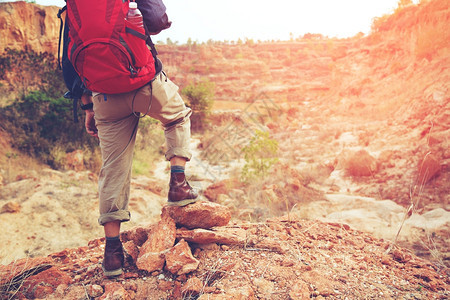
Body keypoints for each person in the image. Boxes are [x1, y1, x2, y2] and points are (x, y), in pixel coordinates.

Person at [61, 2, 198, 277]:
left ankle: (112, 253)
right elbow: (157, 19)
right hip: (144, 81)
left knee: (113, 166)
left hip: (104, 96)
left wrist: (88, 107)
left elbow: (68, 61)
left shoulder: (73, 4)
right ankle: (178, 184)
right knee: (177, 116)